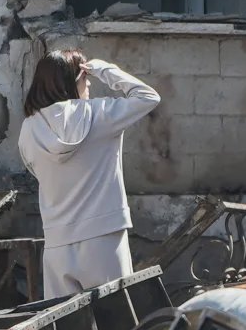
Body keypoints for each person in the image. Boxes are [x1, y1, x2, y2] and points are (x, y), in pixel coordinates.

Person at [19, 49, 160, 295]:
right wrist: (104, 69)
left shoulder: (29, 129)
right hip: (104, 235)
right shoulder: (99, 113)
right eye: (85, 77)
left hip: (57, 241)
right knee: (116, 320)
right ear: (73, 80)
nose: (90, 82)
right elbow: (148, 97)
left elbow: (36, 171)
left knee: (65, 327)